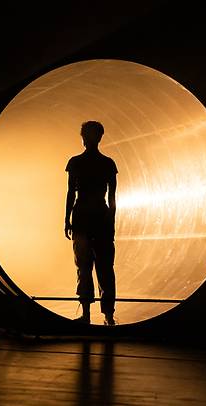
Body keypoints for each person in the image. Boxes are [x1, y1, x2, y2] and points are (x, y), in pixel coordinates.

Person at [65, 121, 118, 326]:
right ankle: (109, 315)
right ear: (100, 137)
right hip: (101, 218)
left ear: (83, 138)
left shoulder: (75, 162)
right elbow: (112, 198)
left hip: (81, 218)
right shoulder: (108, 164)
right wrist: (111, 221)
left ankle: (86, 314)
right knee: (105, 267)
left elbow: (71, 193)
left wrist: (66, 219)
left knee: (83, 266)